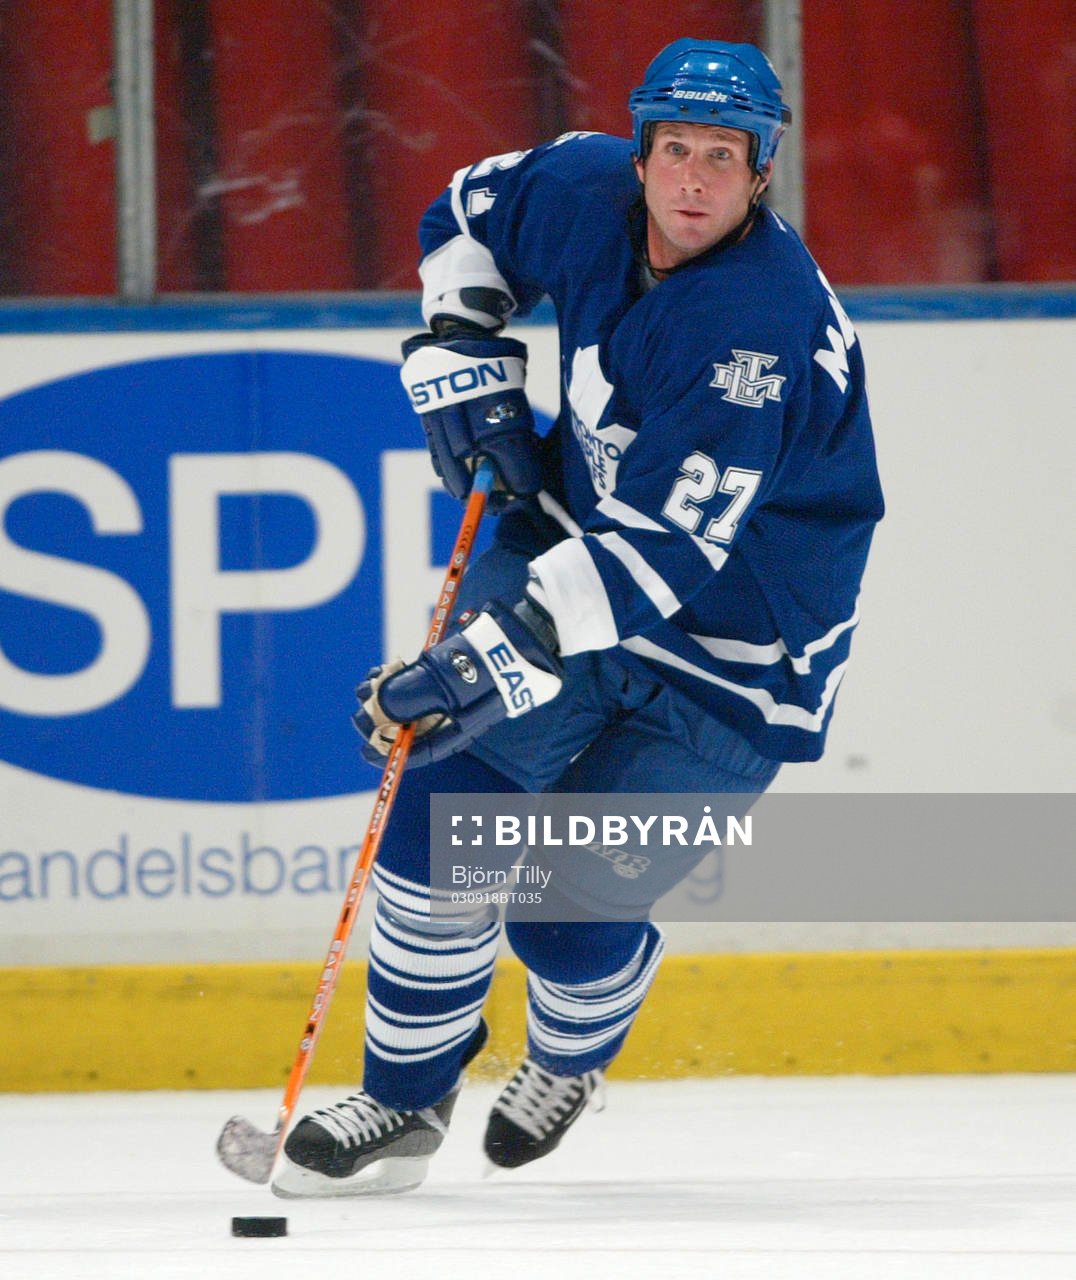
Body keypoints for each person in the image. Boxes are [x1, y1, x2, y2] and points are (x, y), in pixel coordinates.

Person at [271, 37, 883, 1198]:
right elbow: (460, 216)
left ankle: (567, 1053)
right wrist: (463, 347)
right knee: (436, 809)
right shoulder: (575, 187)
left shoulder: (753, 329)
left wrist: (480, 663)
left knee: (558, 916)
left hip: (731, 656)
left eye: (723, 156)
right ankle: (403, 1100)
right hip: (572, 547)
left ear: (761, 173)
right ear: (638, 153)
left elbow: (664, 556)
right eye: (675, 150)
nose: (692, 178)